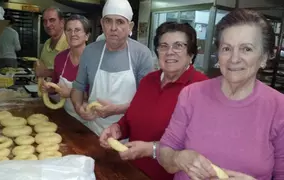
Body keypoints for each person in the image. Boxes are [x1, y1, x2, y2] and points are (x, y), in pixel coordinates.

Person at [158, 9, 284, 180]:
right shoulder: (191, 95)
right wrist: (177, 158)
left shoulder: (279, 107)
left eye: (246, 49)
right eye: (227, 48)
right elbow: (164, 150)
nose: (234, 58)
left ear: (264, 57)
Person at [99, 22, 208, 180]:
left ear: (191, 54)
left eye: (178, 46)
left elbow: (200, 146)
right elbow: (133, 116)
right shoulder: (149, 80)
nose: (170, 52)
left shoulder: (201, 88)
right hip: (132, 170)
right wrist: (118, 128)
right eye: (163, 46)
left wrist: (151, 149)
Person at [71, 0, 154, 136]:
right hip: (94, 130)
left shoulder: (141, 54)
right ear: (102, 24)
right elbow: (78, 88)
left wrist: (117, 109)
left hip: (127, 133)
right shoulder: (90, 51)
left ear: (130, 26)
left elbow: (147, 100)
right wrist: (79, 107)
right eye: (108, 21)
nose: (113, 28)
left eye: (120, 22)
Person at [42, 14, 90, 124]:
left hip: (89, 120)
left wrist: (71, 93)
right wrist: (49, 89)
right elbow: (55, 85)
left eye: (77, 30)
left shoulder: (94, 60)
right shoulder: (60, 58)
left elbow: (98, 94)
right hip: (67, 116)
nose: (73, 34)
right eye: (69, 30)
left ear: (87, 35)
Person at [36, 6, 69, 77]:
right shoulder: (47, 43)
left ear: (62, 22)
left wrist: (49, 73)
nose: (47, 25)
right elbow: (42, 65)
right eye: (45, 21)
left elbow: (74, 73)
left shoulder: (70, 43)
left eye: (52, 20)